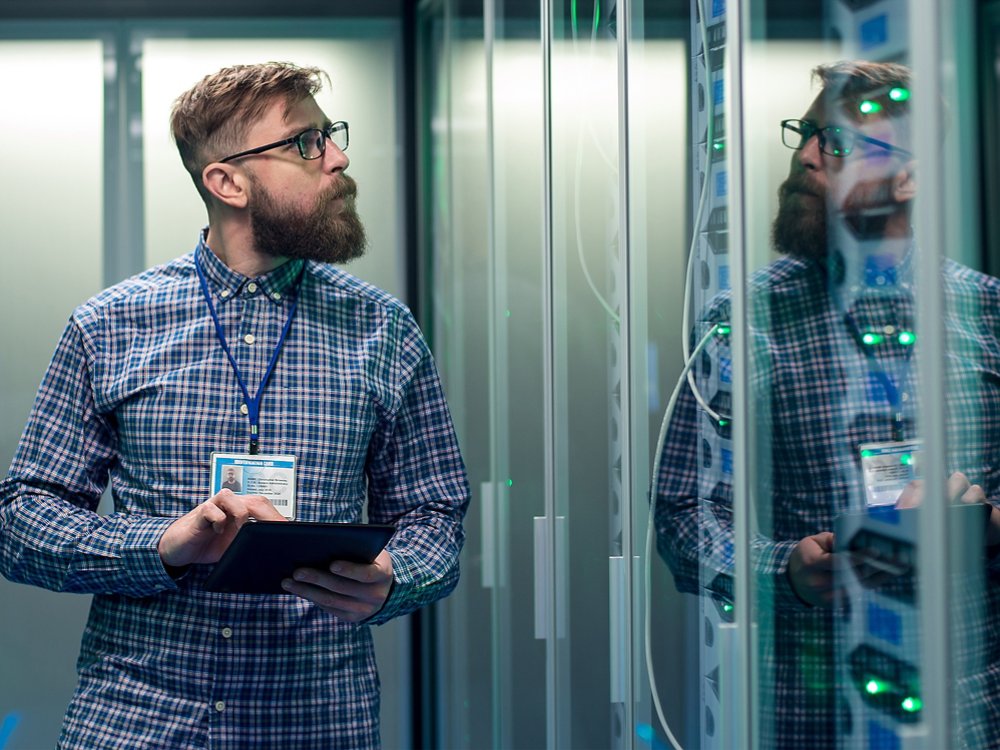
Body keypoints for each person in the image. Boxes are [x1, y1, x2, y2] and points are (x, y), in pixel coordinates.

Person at [0, 62, 469, 749]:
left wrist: (397, 577)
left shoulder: (383, 330)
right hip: (138, 723)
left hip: (316, 723)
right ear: (226, 182)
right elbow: (20, 521)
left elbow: (436, 517)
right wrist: (160, 544)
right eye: (306, 143)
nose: (337, 157)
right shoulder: (110, 326)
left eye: (330, 135)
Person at [655, 60, 1000, 748]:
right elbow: (681, 515)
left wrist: (988, 520)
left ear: (912, 177)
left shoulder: (985, 311)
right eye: (807, 134)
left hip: (968, 706)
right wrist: (784, 568)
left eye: (836, 145)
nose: (806, 157)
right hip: (812, 709)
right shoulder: (745, 317)